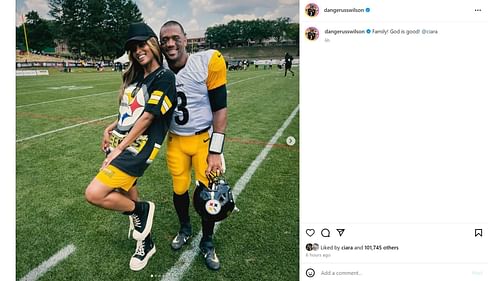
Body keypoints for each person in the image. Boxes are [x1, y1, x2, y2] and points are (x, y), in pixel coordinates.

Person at [84, 22, 177, 272]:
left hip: (137, 148)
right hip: (121, 142)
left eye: (142, 44)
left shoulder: (165, 77)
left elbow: (148, 117)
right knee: (126, 193)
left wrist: (119, 149)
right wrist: (109, 128)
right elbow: (129, 114)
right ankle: (145, 243)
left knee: (94, 193)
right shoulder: (136, 76)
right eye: (133, 48)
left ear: (153, 43)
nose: (138, 51)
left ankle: (142, 210)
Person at [159, 20, 228, 271]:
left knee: (208, 193)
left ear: (185, 39)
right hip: (176, 141)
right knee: (179, 189)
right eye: (164, 39)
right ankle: (185, 228)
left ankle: (208, 242)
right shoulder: (160, 71)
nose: (169, 43)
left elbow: (220, 110)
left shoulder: (206, 62)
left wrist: (215, 150)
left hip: (203, 141)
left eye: (175, 37)